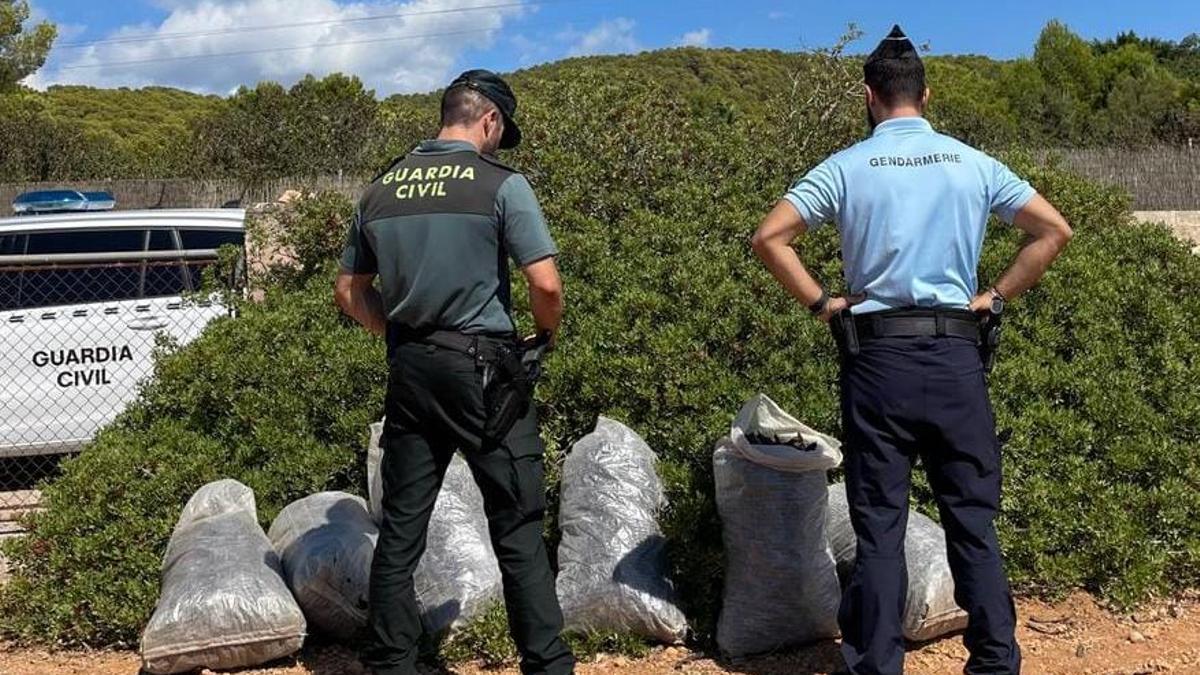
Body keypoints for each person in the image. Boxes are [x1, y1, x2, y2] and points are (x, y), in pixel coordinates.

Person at [751, 25, 1073, 675]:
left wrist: (822, 303)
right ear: (926, 94)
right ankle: (993, 662)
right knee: (972, 524)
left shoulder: (846, 166)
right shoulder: (971, 163)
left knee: (879, 530)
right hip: (956, 357)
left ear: (870, 96)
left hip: (878, 361)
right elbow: (1052, 230)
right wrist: (997, 295)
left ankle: (876, 665)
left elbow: (769, 237)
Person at [334, 69, 575, 675]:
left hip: (411, 370)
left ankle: (392, 662)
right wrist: (543, 334)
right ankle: (547, 665)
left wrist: (396, 334)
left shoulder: (380, 189)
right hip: (486, 374)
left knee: (402, 529)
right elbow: (544, 283)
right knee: (517, 525)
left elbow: (348, 290)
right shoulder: (500, 185)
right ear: (489, 120)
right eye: (501, 131)